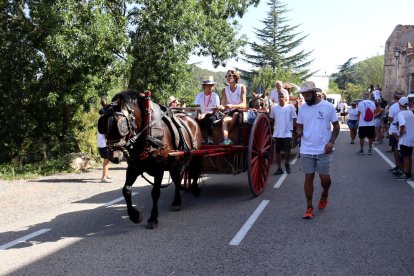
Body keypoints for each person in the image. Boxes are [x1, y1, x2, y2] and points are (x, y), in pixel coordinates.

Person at [295, 81, 340, 219]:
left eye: (307, 94)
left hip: (324, 150)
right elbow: (300, 126)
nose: (305, 97)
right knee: (308, 177)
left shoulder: (327, 107)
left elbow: (336, 127)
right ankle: (309, 206)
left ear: (314, 93)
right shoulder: (302, 108)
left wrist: (331, 142)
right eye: (303, 95)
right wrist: (298, 132)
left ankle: (325, 193)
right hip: (307, 149)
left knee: (325, 179)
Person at [269, 90, 297, 175]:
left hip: (287, 133)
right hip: (277, 133)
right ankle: (279, 168)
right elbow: (272, 120)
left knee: (287, 150)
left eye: (282, 97)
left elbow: (294, 118)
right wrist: (272, 131)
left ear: (285, 98)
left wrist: (294, 129)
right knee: (277, 151)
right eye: (279, 97)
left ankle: (287, 163)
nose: (280, 98)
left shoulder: (290, 107)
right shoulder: (274, 108)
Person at [217, 70, 247, 145]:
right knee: (225, 120)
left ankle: (226, 135)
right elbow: (223, 105)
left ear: (235, 77)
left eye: (230, 75)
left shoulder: (242, 87)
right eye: (227, 76)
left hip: (240, 112)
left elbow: (244, 104)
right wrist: (220, 107)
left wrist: (232, 106)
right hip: (230, 112)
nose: (229, 77)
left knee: (236, 114)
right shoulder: (224, 90)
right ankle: (226, 140)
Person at [194, 76, 221, 145]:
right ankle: (201, 137)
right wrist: (200, 114)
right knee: (197, 120)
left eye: (212, 85)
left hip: (212, 114)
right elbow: (198, 108)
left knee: (209, 118)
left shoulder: (215, 96)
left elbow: (214, 110)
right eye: (208, 85)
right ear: (204, 86)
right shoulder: (199, 95)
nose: (210, 87)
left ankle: (210, 137)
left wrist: (204, 114)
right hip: (202, 114)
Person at [395, 96, 414, 180]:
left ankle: (406, 174)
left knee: (405, 157)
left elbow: (402, 124)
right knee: (409, 156)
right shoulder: (410, 112)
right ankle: (408, 173)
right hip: (411, 137)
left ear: (400, 104)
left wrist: (399, 134)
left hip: (405, 138)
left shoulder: (401, 113)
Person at [388, 89, 406, 173]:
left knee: (396, 149)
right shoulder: (407, 106)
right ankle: (404, 168)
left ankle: (398, 166)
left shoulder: (393, 107)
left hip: (395, 130)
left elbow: (391, 120)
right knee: (404, 149)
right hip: (405, 130)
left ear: (394, 97)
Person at [98, 98, 111, 183]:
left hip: (102, 142)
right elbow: (104, 132)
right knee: (106, 159)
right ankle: (103, 177)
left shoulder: (101, 119)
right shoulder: (103, 121)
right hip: (104, 142)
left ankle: (106, 174)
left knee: (108, 158)